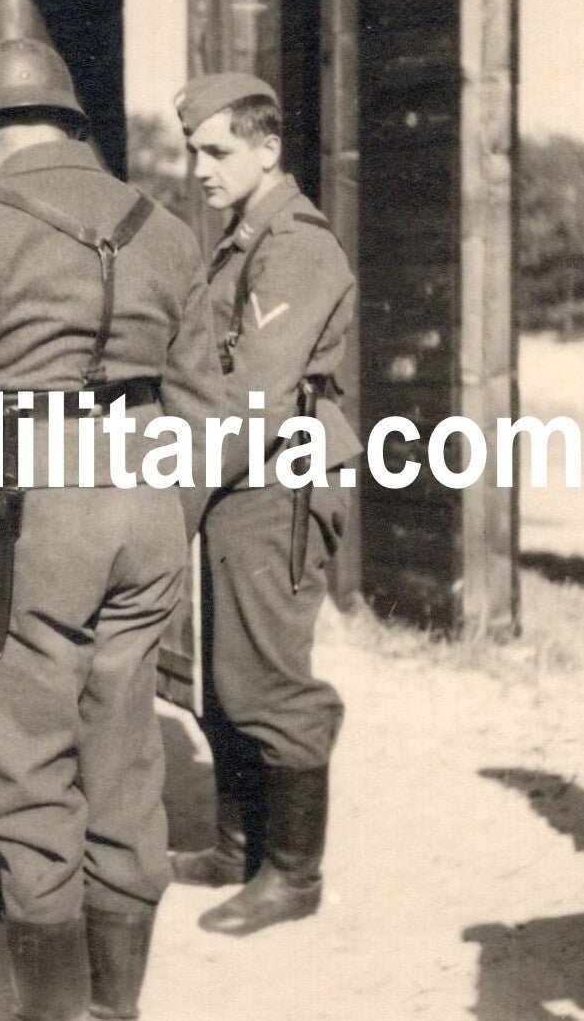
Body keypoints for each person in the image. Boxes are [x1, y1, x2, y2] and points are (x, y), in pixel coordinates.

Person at [0, 37, 225, 1021]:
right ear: (72, 127)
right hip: (145, 504)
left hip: (28, 512)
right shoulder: (165, 227)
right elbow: (207, 405)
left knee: (22, 773)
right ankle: (115, 1010)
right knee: (121, 756)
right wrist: (169, 509)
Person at [170, 72, 362, 937]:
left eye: (216, 150)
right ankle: (237, 847)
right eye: (192, 151)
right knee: (222, 677)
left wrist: (174, 489)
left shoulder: (294, 244)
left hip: (274, 478)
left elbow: (253, 396)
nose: (199, 167)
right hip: (239, 478)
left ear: (267, 147)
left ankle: (293, 876)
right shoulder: (243, 237)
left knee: (268, 683)